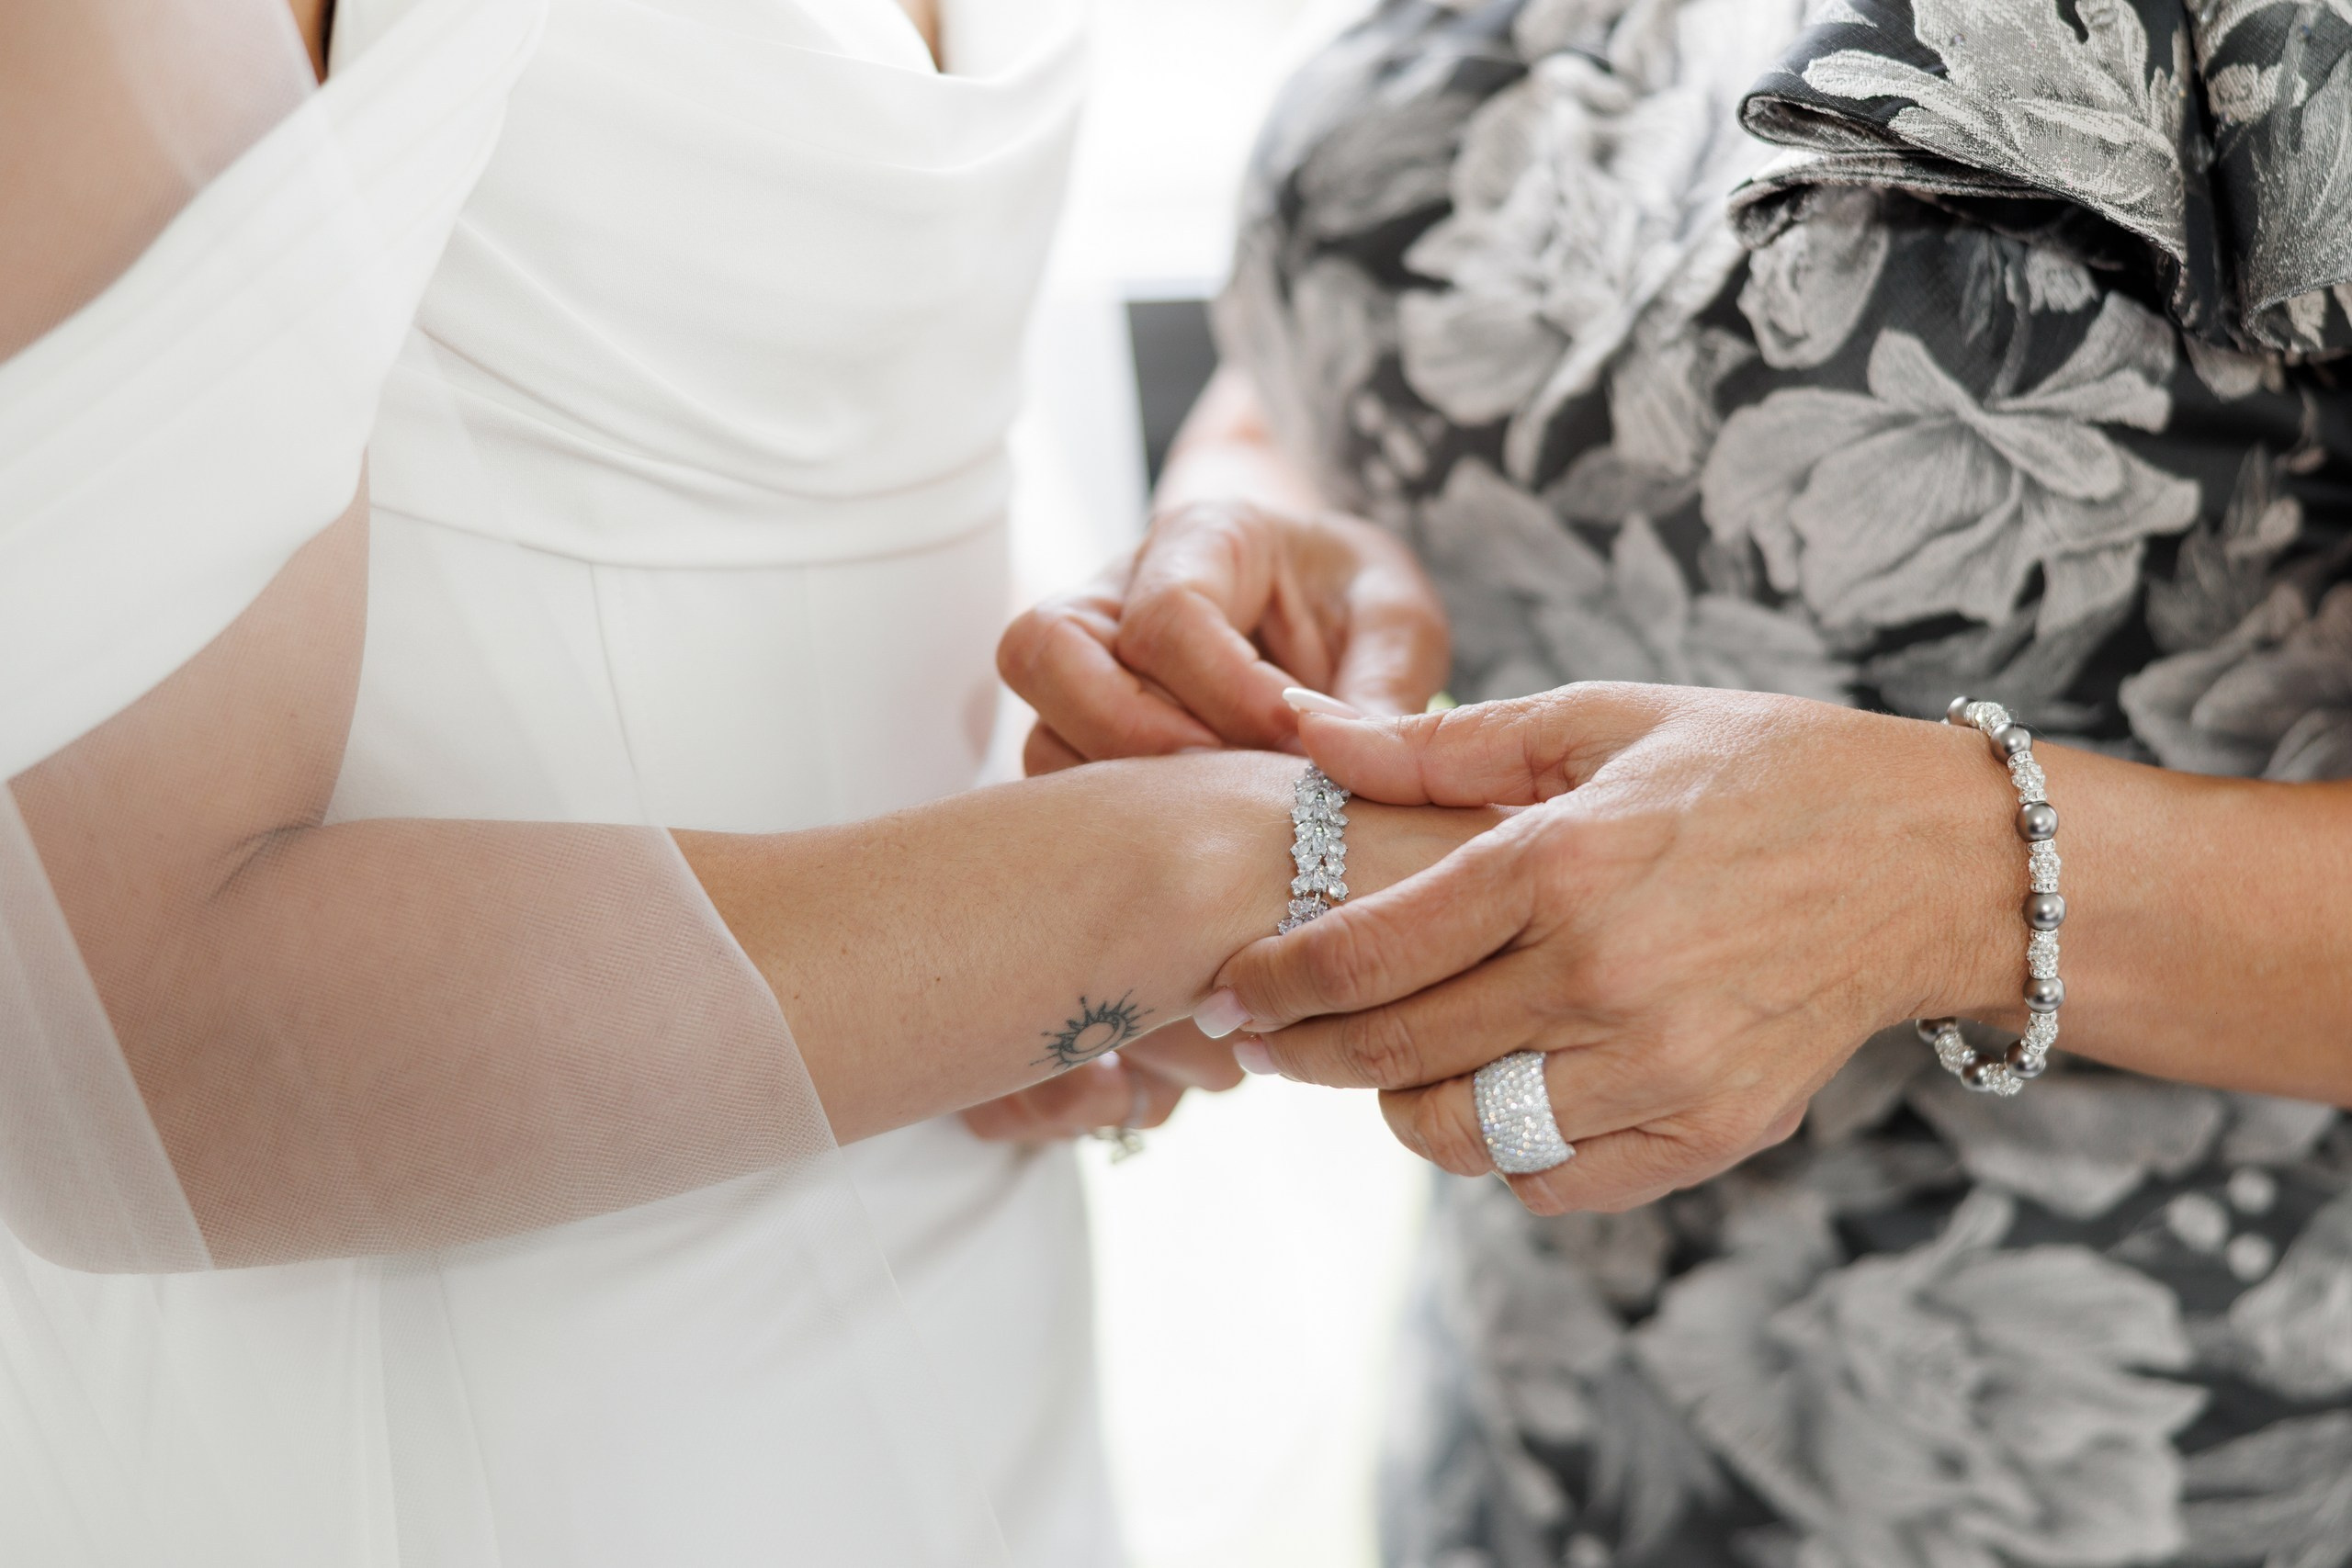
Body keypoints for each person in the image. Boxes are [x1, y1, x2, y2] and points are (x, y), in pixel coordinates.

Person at [0, 0, 1500, 1562]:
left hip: (967, 1238)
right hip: (512, 1380)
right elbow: (116, 1051)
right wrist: (1185, 877)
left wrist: (1189, 609)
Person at [1004, 0, 2352, 1562]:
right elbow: (1362, 321)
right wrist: (1271, 510)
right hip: (1538, 1423)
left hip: (2129, 1459)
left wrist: (1951, 878)